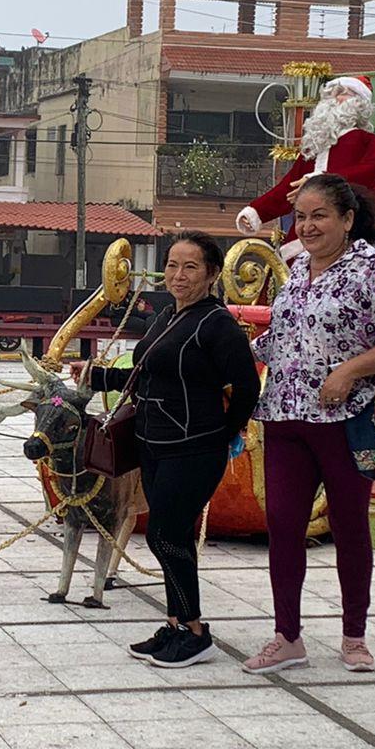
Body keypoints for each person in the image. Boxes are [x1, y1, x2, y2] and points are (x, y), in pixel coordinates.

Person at [242, 174, 375, 675]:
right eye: (301, 216)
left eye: (319, 215)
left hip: (347, 421)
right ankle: (287, 637)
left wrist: (348, 371)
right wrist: (231, 359)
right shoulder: (296, 270)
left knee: (349, 528)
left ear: (347, 219)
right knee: (281, 526)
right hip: (284, 416)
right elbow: (281, 341)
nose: (308, 225)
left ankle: (354, 636)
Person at [70, 231, 261, 669]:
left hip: (193, 448)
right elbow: (143, 375)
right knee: (167, 536)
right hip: (152, 442)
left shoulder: (217, 325)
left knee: (165, 535)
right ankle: (176, 624)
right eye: (172, 265)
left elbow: (247, 388)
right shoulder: (166, 317)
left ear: (212, 274)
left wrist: (222, 434)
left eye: (190, 267)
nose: (178, 275)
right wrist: (96, 376)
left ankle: (195, 632)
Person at [236, 76, 375, 260]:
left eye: (345, 94)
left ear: (361, 104)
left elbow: (367, 174)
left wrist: (319, 181)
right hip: (304, 234)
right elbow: (288, 186)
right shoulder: (314, 145)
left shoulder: (369, 141)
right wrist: (256, 211)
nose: (337, 99)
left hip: (348, 231)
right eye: (333, 94)